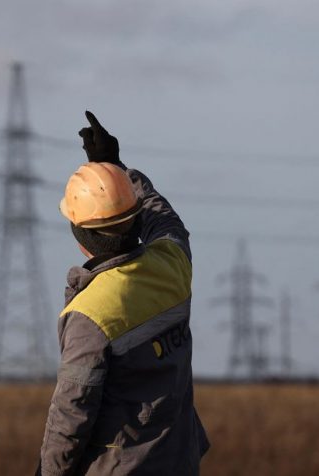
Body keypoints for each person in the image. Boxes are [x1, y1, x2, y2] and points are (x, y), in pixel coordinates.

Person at [38, 112, 210, 475]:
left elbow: (70, 418)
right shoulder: (171, 266)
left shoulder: (90, 313)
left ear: (79, 232)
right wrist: (117, 168)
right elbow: (165, 219)